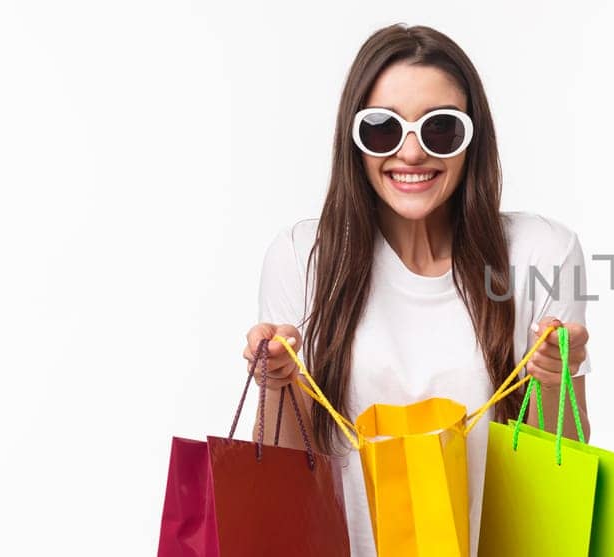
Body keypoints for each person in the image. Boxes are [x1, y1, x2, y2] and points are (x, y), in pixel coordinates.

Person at [241, 24, 593, 556]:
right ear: (353, 141)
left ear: (473, 139)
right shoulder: (303, 257)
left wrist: (550, 380)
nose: (410, 153)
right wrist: (276, 383)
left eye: (441, 129)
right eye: (383, 129)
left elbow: (561, 466)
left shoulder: (541, 253)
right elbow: (284, 474)